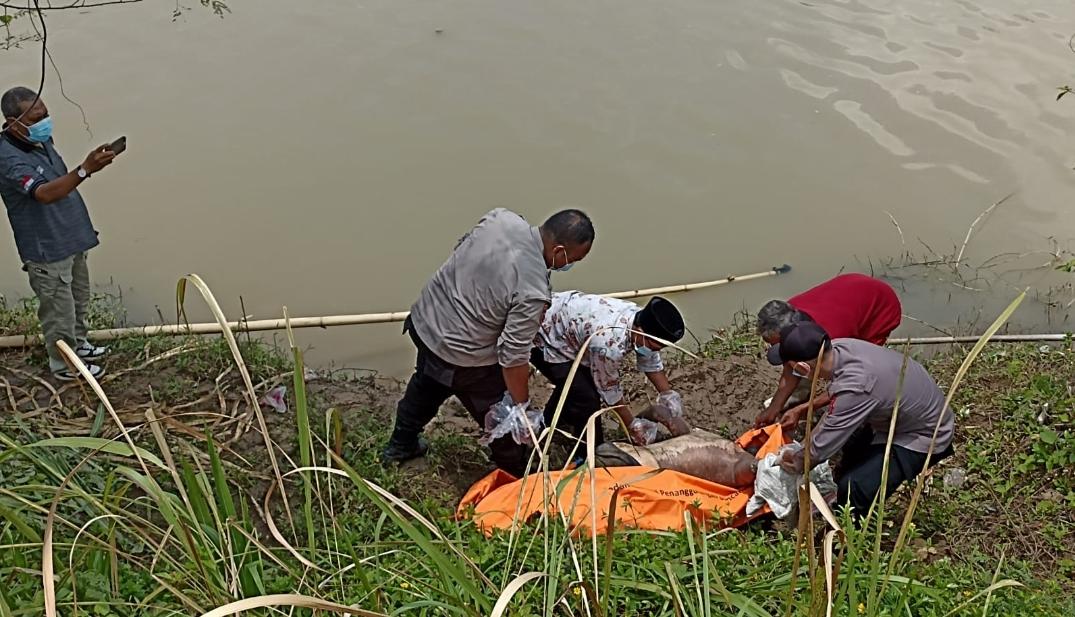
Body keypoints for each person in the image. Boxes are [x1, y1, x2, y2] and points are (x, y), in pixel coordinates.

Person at [381, 208, 595, 477]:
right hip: (462, 355)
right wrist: (521, 407)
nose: (567, 264)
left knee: (426, 383)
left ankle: (400, 445)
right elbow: (513, 355)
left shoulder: (501, 219)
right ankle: (516, 473)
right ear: (559, 250)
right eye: (573, 259)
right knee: (499, 413)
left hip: (426, 321)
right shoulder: (532, 288)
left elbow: (462, 249)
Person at [773, 321, 955, 519]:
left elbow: (818, 449)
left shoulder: (857, 386)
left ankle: (848, 536)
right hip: (900, 413)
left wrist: (796, 461)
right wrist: (804, 408)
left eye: (793, 369)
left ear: (803, 367)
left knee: (855, 488)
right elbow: (840, 393)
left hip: (924, 434)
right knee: (851, 450)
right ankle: (840, 498)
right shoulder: (841, 348)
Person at [0, 87, 118, 381]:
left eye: (46, 114)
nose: (45, 122)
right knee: (58, 311)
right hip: (46, 247)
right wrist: (85, 170)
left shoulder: (38, 141)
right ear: (14, 122)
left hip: (70, 236)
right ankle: (64, 365)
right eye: (37, 118)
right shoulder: (7, 158)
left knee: (78, 299)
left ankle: (79, 344)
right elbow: (43, 193)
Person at [531, 292, 688, 448]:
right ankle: (590, 451)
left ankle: (550, 422)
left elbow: (651, 359)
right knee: (586, 397)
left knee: (575, 386)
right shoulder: (609, 344)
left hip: (570, 326)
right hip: (543, 333)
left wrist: (668, 394)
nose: (654, 351)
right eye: (654, 347)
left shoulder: (642, 321)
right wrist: (632, 425)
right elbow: (608, 388)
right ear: (639, 331)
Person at [754, 273, 901, 430]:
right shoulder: (787, 313)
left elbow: (849, 381)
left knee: (863, 372)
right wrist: (774, 407)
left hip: (881, 305)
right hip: (849, 287)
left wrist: (807, 408)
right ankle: (802, 391)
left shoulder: (834, 339)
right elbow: (789, 366)